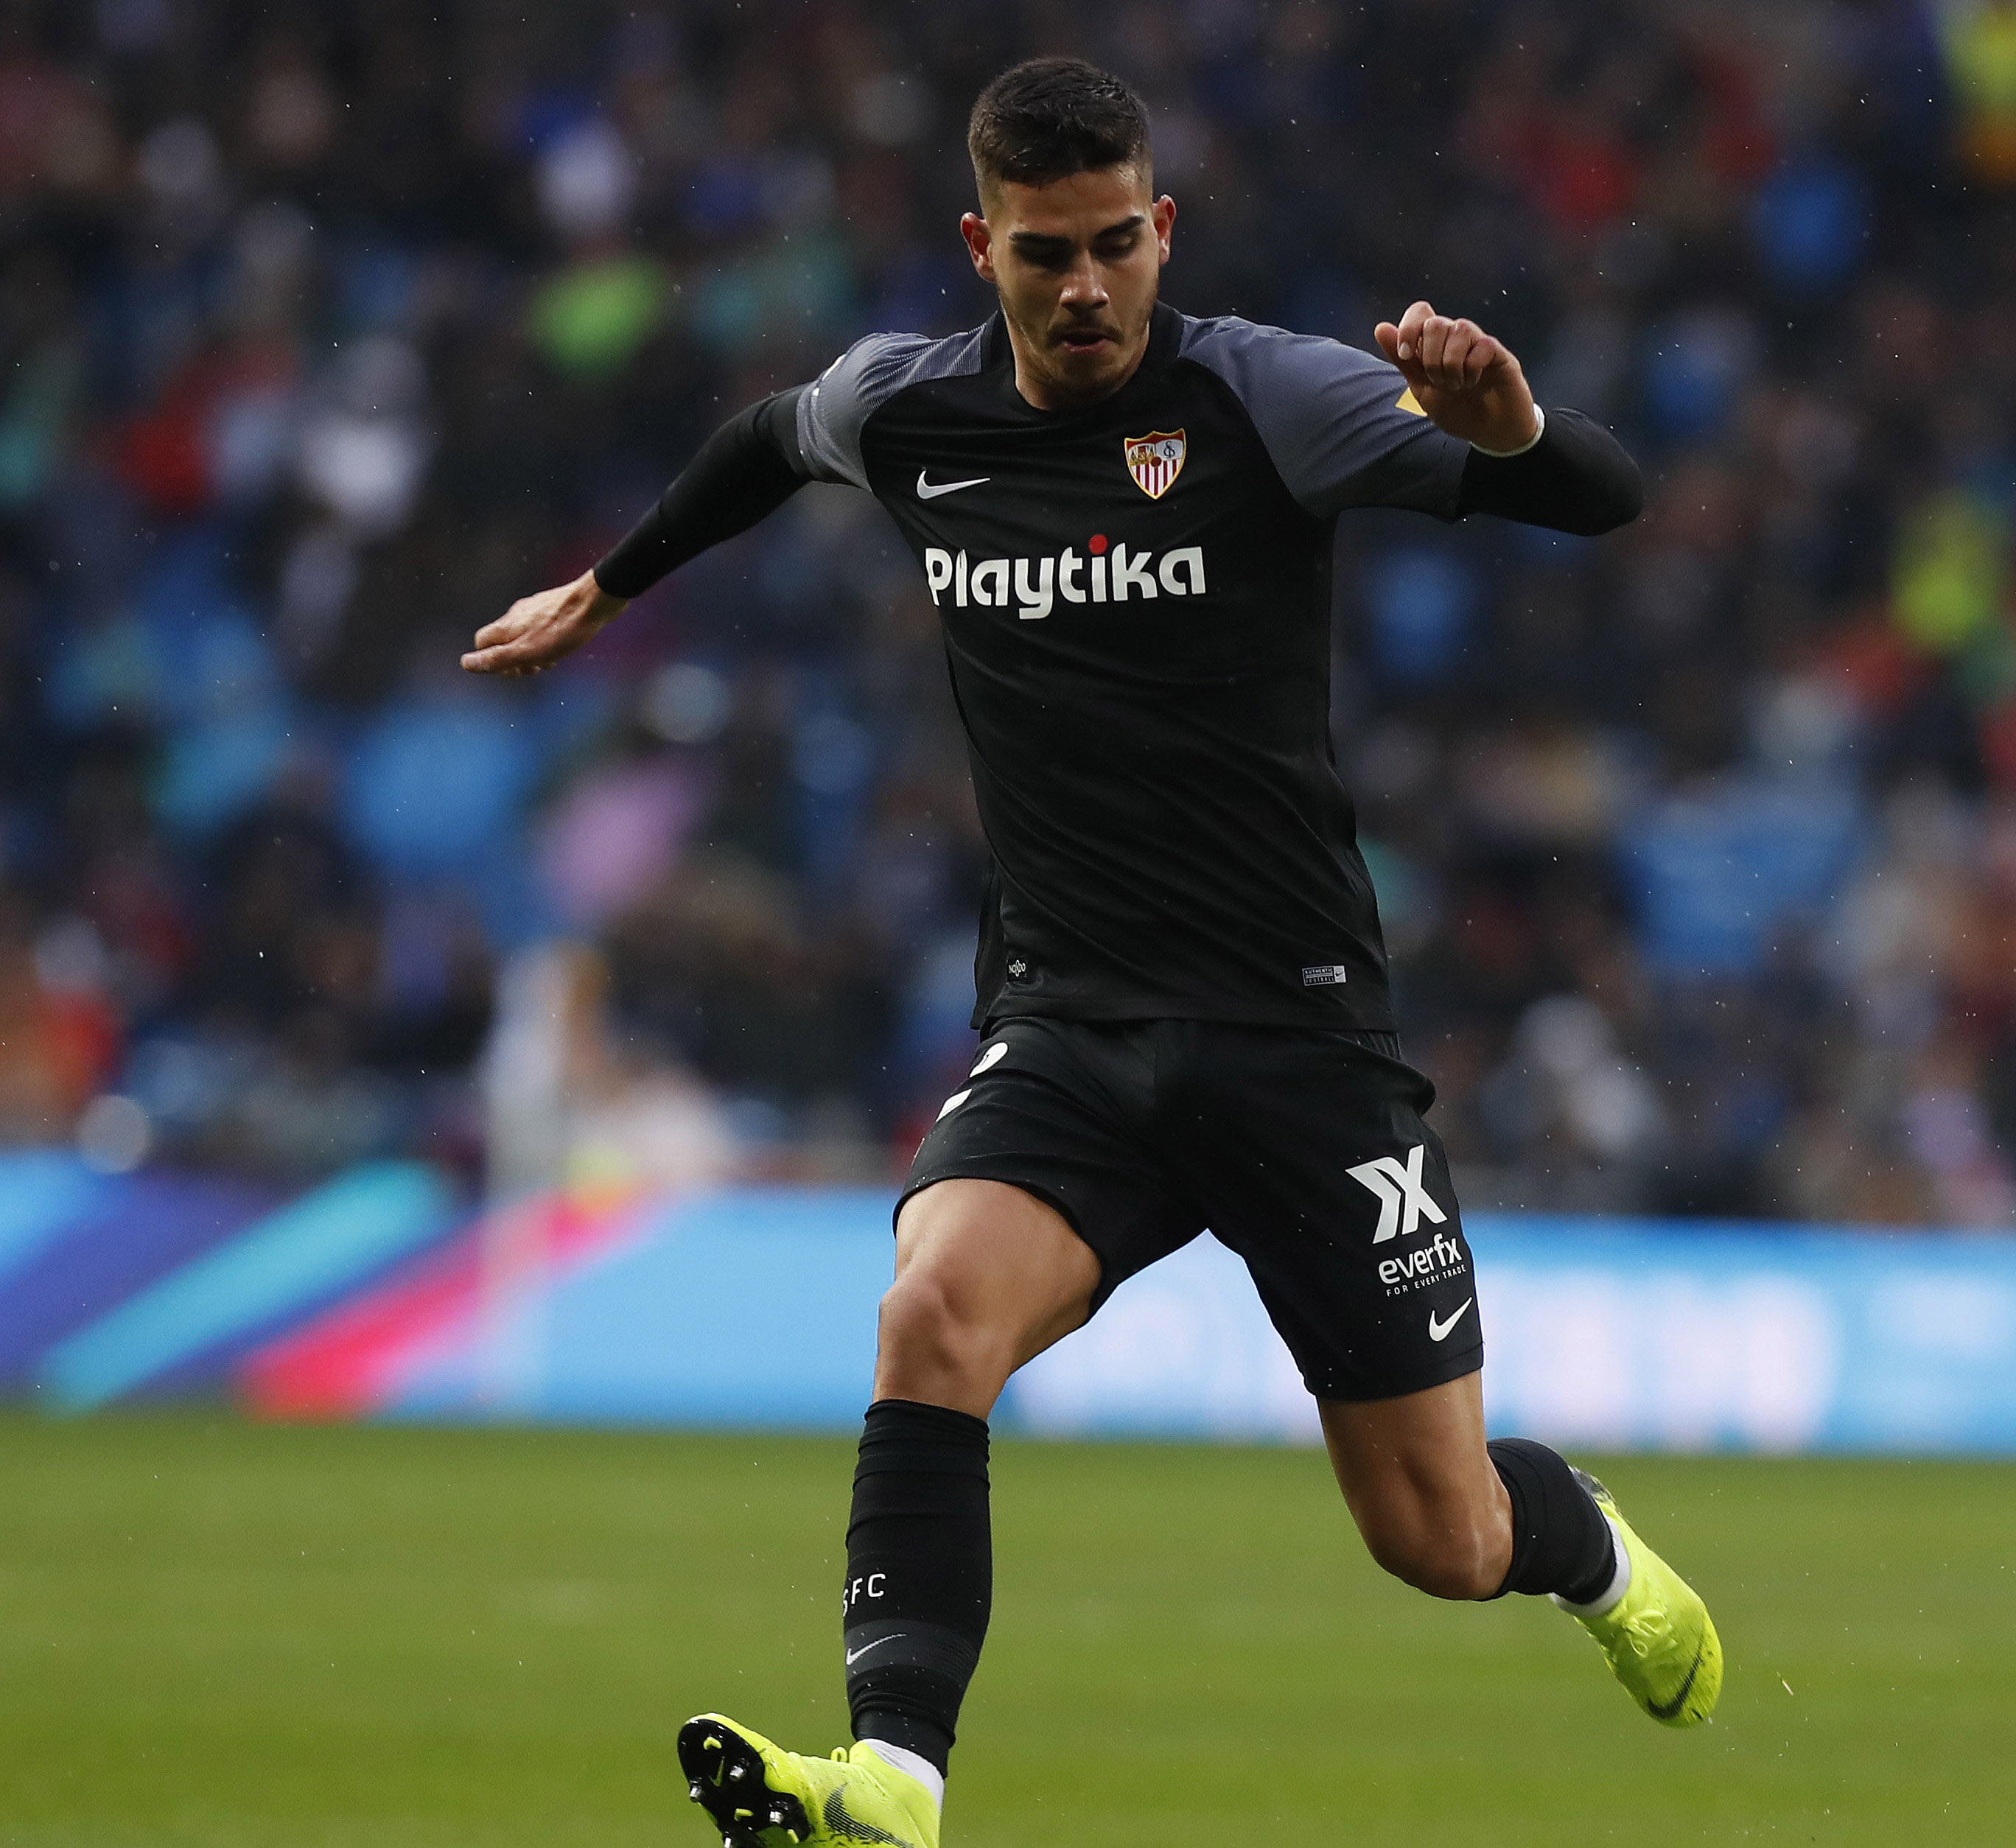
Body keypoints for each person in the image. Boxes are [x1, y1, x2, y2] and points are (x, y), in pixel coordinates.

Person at [463, 57, 1718, 1848]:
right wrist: (610, 586)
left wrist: (1506, 425)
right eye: (1046, 253)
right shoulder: (911, 410)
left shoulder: (1273, 397)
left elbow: (1602, 498)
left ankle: (1583, 1545)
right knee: (930, 1311)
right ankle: (894, 1778)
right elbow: (764, 441)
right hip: (1072, 1031)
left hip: (1300, 1046)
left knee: (1439, 1542)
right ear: (982, 245)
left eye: (1116, 246)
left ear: (1162, 232)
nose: (1084, 287)